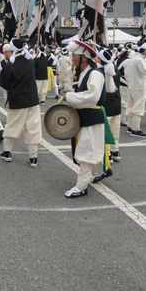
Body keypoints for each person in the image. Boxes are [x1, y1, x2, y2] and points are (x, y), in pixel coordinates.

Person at [62, 41, 108, 198]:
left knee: (85, 152)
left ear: (83, 57)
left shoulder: (95, 73)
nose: (72, 57)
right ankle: (104, 169)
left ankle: (81, 186)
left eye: (75, 55)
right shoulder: (82, 72)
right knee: (87, 150)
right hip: (83, 117)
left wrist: (69, 97)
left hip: (91, 117)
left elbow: (92, 97)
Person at [0, 38, 41, 167]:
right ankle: (33, 158)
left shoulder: (10, 64)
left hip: (17, 100)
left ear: (12, 49)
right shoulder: (30, 61)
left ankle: (7, 152)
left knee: (12, 126)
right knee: (33, 128)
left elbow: (4, 84)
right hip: (33, 100)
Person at [123, 43, 146, 137]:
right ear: (144, 50)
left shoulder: (130, 60)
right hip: (139, 87)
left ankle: (130, 126)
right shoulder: (139, 60)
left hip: (131, 85)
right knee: (138, 108)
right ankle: (135, 129)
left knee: (131, 106)